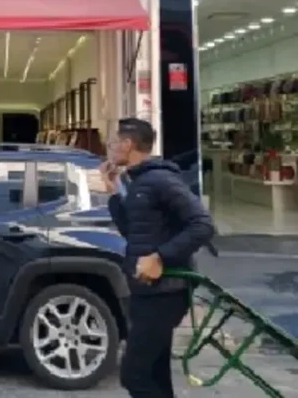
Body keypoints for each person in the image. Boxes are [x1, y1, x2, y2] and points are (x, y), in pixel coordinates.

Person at [101, 118, 215, 398]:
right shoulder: (139, 182)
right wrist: (113, 191)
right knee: (155, 372)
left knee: (134, 374)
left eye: (113, 143)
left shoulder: (161, 180)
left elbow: (202, 225)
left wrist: (160, 257)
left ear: (128, 144)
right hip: (147, 291)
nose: (110, 148)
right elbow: (133, 232)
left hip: (166, 293)